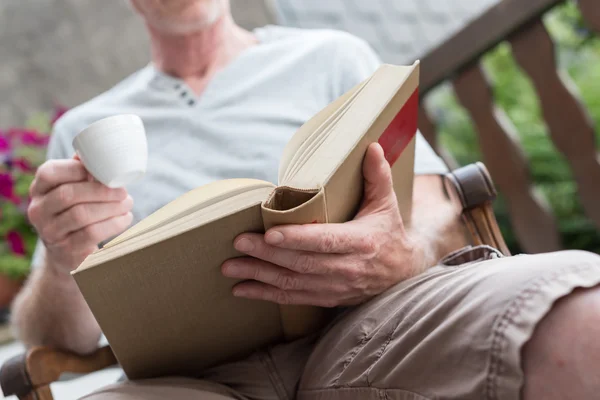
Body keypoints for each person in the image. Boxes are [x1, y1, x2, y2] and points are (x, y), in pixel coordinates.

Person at [10, 0, 600, 399]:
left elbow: (436, 204)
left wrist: (404, 252)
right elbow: (53, 338)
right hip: (188, 381)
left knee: (584, 319)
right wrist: (65, 261)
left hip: (373, 327)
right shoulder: (84, 132)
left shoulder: (331, 57)